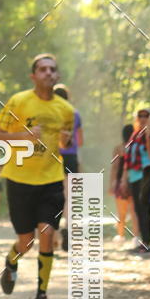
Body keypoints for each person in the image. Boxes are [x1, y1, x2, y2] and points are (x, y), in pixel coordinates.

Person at [0, 53, 74, 299]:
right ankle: (11, 260)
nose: (48, 73)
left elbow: (64, 145)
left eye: (52, 69)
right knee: (26, 242)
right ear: (33, 76)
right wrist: (22, 136)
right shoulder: (19, 101)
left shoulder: (66, 110)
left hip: (50, 181)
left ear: (57, 76)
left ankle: (41, 296)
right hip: (19, 180)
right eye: (42, 69)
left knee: (48, 234)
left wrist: (66, 140)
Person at [54, 83, 83, 251]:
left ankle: (54, 236)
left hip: (53, 156)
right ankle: (67, 228)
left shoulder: (49, 112)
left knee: (52, 194)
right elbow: (80, 141)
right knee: (69, 196)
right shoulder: (75, 114)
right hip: (71, 157)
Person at [122, 108, 150, 255]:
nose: (142, 118)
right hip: (134, 176)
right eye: (140, 115)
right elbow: (127, 158)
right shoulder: (134, 135)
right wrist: (124, 178)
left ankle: (147, 242)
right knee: (138, 210)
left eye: (146, 115)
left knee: (145, 209)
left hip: (145, 174)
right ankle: (143, 241)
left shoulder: (149, 134)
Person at [109, 124, 139, 245]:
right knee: (134, 211)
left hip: (120, 184)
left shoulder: (118, 148)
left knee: (121, 212)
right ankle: (136, 237)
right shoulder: (136, 147)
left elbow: (115, 168)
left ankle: (120, 236)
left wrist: (112, 184)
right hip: (133, 181)